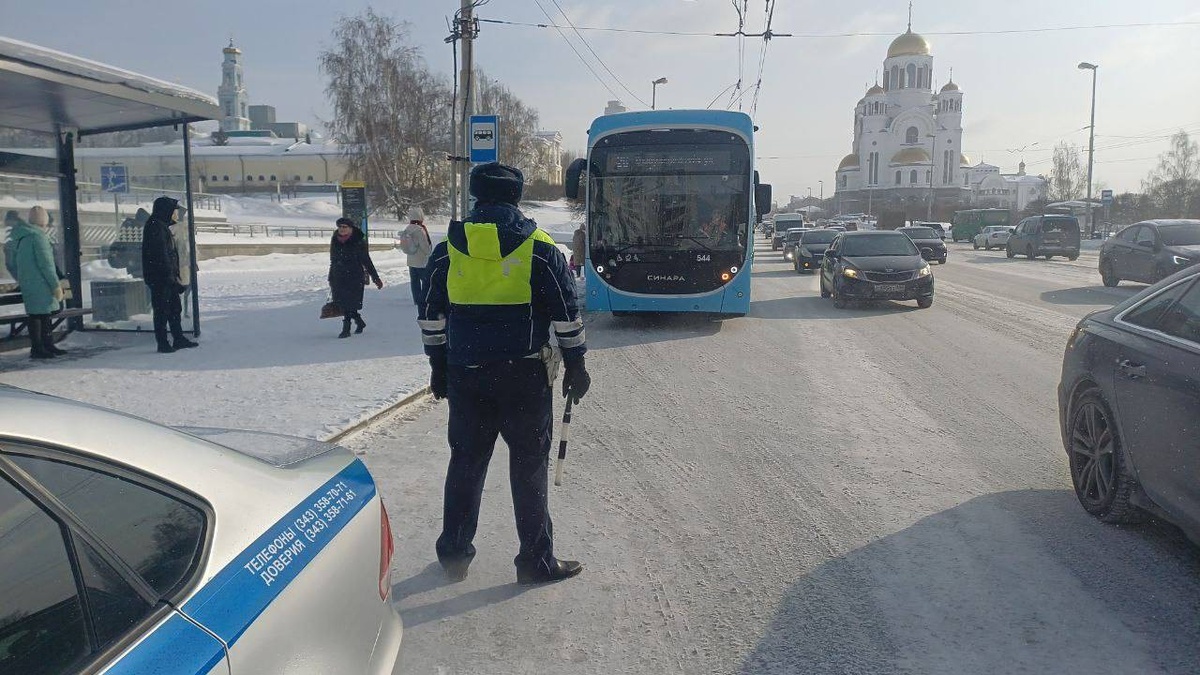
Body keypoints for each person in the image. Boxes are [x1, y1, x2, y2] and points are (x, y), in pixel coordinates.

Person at [418, 161, 591, 585]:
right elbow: (566, 315)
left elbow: (431, 316)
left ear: (477, 195)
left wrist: (438, 367)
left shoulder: (448, 248)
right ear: (516, 196)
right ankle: (535, 561)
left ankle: (455, 554)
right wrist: (576, 364)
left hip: (467, 374)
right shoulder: (540, 246)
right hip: (524, 378)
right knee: (528, 467)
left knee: (465, 463)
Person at [142, 196, 197, 353]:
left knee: (174, 309)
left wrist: (174, 278)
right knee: (162, 311)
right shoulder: (155, 227)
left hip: (167, 278)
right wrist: (170, 278)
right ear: (166, 211)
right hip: (161, 279)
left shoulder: (160, 226)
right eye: (174, 211)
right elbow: (161, 256)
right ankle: (163, 343)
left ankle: (178, 338)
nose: (175, 214)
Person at [10, 206, 65, 359]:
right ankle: (41, 347)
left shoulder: (22, 237)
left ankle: (43, 346)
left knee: (38, 315)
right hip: (41, 283)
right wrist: (55, 285)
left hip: (29, 283)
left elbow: (14, 263)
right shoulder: (38, 237)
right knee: (41, 316)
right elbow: (47, 265)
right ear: (44, 222)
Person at [329, 216, 383, 339]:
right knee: (343, 303)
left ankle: (346, 328)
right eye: (340, 227)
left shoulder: (358, 240)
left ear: (350, 228)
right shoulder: (335, 239)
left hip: (354, 276)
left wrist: (375, 278)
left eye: (344, 227)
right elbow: (333, 259)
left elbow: (366, 260)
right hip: (338, 276)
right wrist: (331, 276)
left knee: (349, 303)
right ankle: (359, 321)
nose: (341, 229)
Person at [398, 206, 433, 305]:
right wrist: (429, 253)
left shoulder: (408, 228)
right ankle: (425, 299)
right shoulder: (419, 230)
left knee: (415, 282)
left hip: (411, 260)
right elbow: (425, 247)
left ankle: (417, 300)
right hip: (421, 261)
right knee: (426, 282)